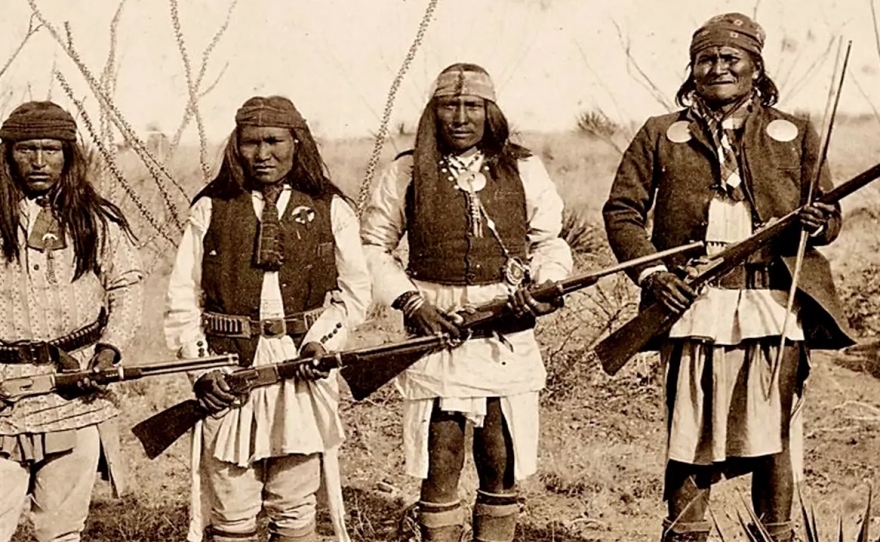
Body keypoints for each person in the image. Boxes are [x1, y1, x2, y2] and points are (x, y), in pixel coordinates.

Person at [602, 13, 854, 542]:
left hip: (772, 305)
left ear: (755, 67)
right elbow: (623, 212)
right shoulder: (659, 134)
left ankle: (776, 534)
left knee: (774, 436)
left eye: (730, 59)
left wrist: (817, 221)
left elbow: (828, 216)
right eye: (705, 59)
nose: (717, 69)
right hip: (693, 306)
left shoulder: (796, 132)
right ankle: (684, 533)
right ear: (692, 69)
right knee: (688, 438)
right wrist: (652, 275)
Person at [361, 63, 572, 542]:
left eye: (471, 106)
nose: (459, 117)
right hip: (437, 326)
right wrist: (411, 302)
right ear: (433, 113)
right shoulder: (408, 169)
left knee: (500, 447)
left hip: (504, 324)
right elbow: (373, 246)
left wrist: (545, 283)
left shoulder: (522, 166)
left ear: (489, 112)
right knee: (443, 446)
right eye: (449, 106)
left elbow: (550, 241)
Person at [164, 95, 371, 542]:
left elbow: (356, 294)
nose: (263, 154)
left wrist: (323, 343)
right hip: (228, 369)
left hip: (300, 370)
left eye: (274, 141)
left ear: (297, 142)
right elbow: (181, 296)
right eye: (250, 143)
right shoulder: (211, 207)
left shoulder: (330, 207)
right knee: (232, 505)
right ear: (235, 146)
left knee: (295, 504)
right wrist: (202, 372)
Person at [0, 101, 144, 542]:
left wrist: (110, 348)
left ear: (69, 154)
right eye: (26, 149)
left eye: (51, 149)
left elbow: (127, 283)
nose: (39, 162)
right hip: (2, 392)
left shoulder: (95, 219)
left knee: (61, 531)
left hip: (75, 394)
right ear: (7, 155)